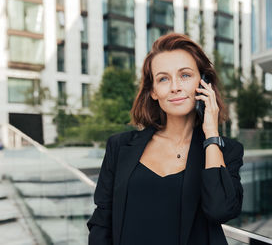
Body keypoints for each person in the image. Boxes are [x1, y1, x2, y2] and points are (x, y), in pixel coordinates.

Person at [87, 33, 244, 245]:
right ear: (153, 91)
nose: (175, 87)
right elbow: (102, 221)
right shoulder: (120, 146)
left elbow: (220, 210)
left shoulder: (225, 151)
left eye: (185, 75)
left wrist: (211, 134)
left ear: (204, 83)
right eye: (163, 79)